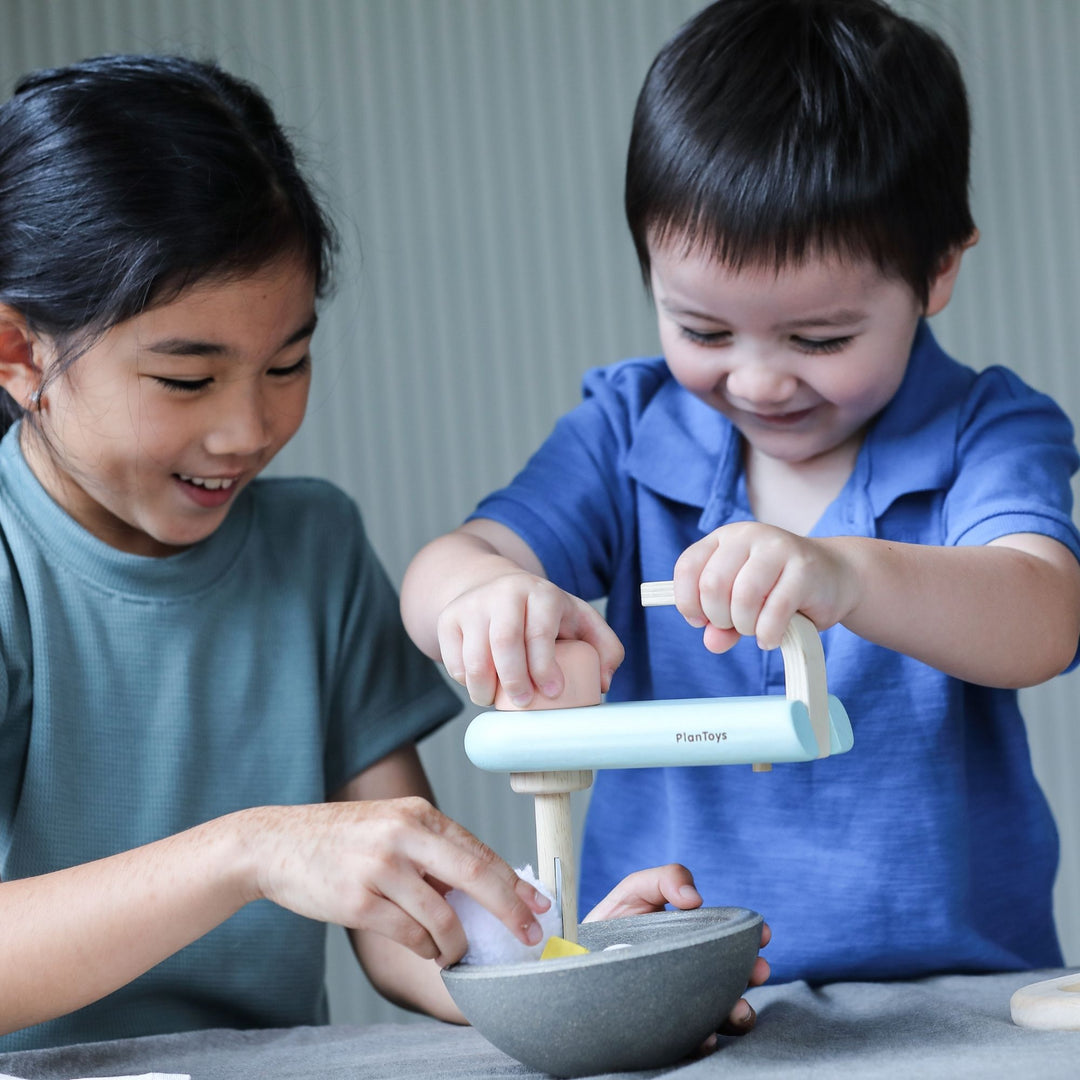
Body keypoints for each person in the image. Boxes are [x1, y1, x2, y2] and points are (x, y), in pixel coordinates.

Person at [0, 54, 767, 1052]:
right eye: (187, 379)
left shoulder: (312, 549)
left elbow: (406, 926)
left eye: (289, 362)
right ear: (18, 354)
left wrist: (558, 968)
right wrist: (250, 851)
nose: (248, 428)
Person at [401, 0, 1080, 988]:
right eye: (705, 332)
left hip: (955, 1000)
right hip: (678, 991)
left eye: (819, 340)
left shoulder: (986, 431)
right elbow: (448, 564)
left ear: (937, 272)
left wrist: (844, 575)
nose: (759, 381)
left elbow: (1043, 617)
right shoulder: (631, 431)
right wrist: (480, 598)